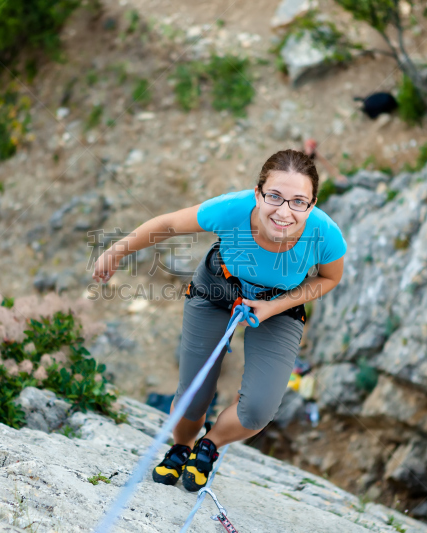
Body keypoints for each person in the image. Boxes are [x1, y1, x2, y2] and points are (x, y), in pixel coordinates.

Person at [91, 149, 347, 492]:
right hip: (216, 288)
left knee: (257, 410)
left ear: (312, 204)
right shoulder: (233, 210)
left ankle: (208, 446)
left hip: (280, 306)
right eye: (274, 197)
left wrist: (273, 307)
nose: (284, 211)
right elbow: (168, 224)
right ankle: (181, 447)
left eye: (299, 201)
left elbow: (329, 279)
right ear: (258, 194)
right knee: (193, 395)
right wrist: (117, 250)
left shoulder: (324, 235)